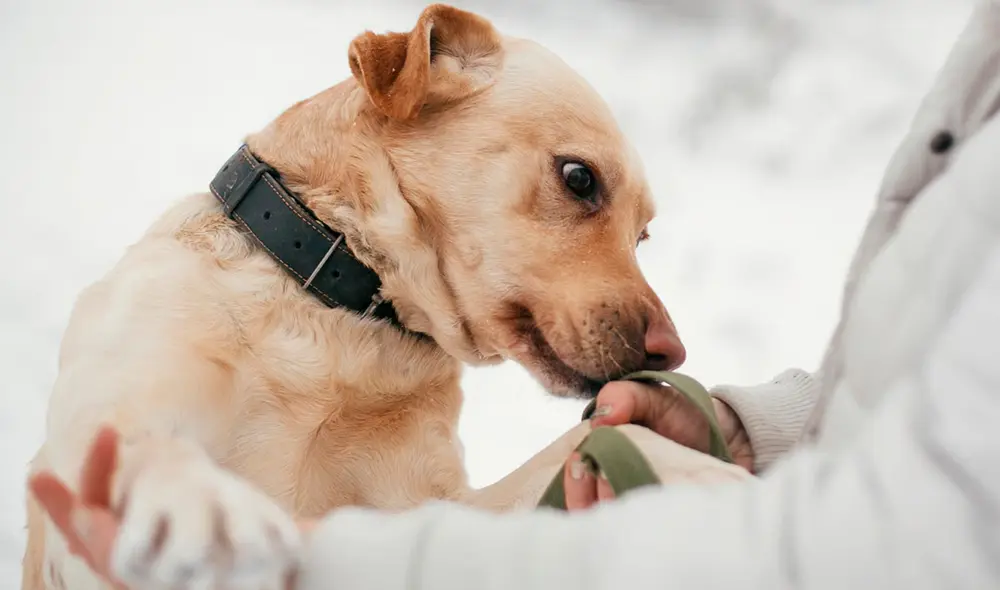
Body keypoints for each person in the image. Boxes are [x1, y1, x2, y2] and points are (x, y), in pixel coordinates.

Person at [30, 1, 1000, 588]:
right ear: (416, 84)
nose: (662, 333)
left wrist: (648, 461)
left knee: (612, 456)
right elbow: (93, 506)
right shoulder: (171, 292)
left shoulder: (415, 379)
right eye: (579, 185)